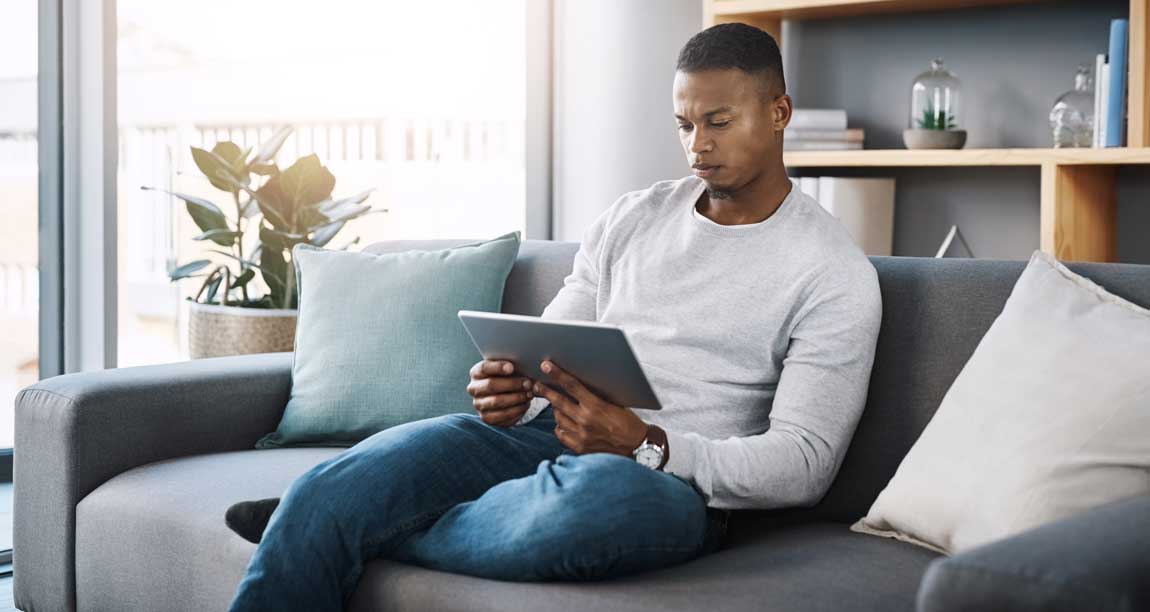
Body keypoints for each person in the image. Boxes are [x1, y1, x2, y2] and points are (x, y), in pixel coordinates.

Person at [226, 22, 882, 611]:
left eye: (719, 121)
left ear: (778, 112)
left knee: (594, 505)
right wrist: (513, 387)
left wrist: (644, 443)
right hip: (545, 440)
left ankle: (338, 526)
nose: (697, 145)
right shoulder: (633, 217)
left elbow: (805, 464)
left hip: (667, 482)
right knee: (354, 470)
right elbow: (553, 342)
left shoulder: (833, 272)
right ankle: (329, 511)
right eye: (685, 124)